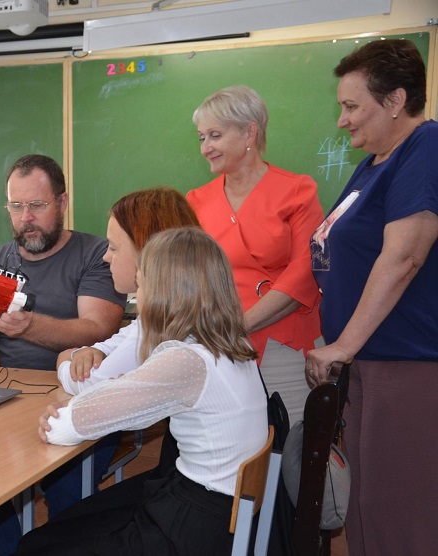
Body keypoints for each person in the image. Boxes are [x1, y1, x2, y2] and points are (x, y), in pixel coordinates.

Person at [16, 226, 268, 555]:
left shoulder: (186, 361)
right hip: (215, 513)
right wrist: (110, 390)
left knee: (36, 546)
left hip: (192, 527)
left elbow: (63, 428)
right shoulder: (230, 345)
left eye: (141, 284)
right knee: (62, 529)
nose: (139, 296)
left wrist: (83, 398)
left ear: (162, 292)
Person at [0, 154, 126, 556]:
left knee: (66, 492)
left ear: (62, 202)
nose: (26, 217)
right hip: (9, 404)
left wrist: (28, 326)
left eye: (37, 205)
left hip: (80, 400)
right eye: (16, 206)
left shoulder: (97, 254)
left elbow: (97, 329)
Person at [305, 39, 437, 555]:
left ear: (396, 100)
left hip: (406, 364)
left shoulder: (425, 148)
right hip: (367, 364)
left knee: (398, 515)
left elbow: (404, 257)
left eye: (352, 106)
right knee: (364, 509)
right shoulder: (373, 165)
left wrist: (343, 344)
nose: (342, 121)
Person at [187, 85, 324, 426]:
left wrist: (237, 327)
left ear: (249, 133)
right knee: (232, 443)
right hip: (219, 348)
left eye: (215, 135)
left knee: (291, 444)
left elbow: (306, 272)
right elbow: (188, 275)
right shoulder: (196, 201)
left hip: (283, 343)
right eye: (202, 138)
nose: (205, 148)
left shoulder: (297, 191)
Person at [57, 187, 200, 394]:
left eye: (113, 248)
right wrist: (92, 351)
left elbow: (91, 385)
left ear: (146, 251)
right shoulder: (179, 309)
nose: (106, 257)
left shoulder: (160, 325)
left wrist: (63, 359)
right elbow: (118, 341)